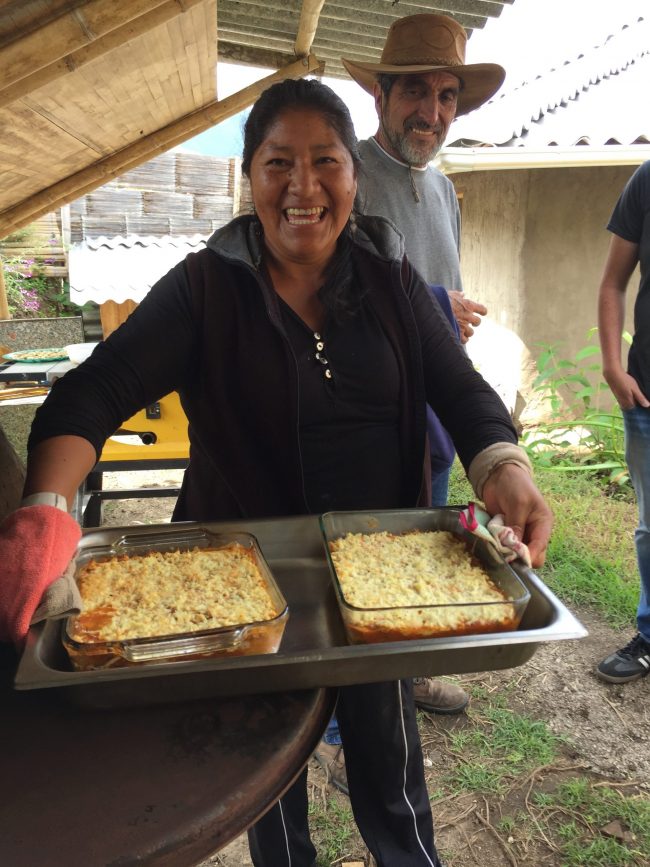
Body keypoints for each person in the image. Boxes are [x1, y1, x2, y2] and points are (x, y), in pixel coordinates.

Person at [0, 78, 552, 867]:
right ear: (250, 177)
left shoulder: (390, 276)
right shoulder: (205, 288)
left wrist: (504, 466)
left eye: (325, 161)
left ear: (353, 176)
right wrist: (48, 513)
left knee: (392, 775)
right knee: (266, 781)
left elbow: (460, 391)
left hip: (382, 586)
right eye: (278, 163)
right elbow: (87, 398)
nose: (303, 186)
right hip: (234, 593)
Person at [314, 17, 506, 784]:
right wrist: (431, 301)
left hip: (432, 414)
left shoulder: (444, 190)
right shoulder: (344, 177)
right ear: (381, 95)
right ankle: (333, 727)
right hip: (360, 416)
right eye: (416, 92)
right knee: (358, 558)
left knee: (424, 547)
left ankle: (412, 671)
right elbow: (322, 294)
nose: (432, 111)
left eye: (447, 95)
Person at [596, 160, 650, 684]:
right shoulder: (647, 180)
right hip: (647, 394)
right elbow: (614, 282)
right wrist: (613, 366)